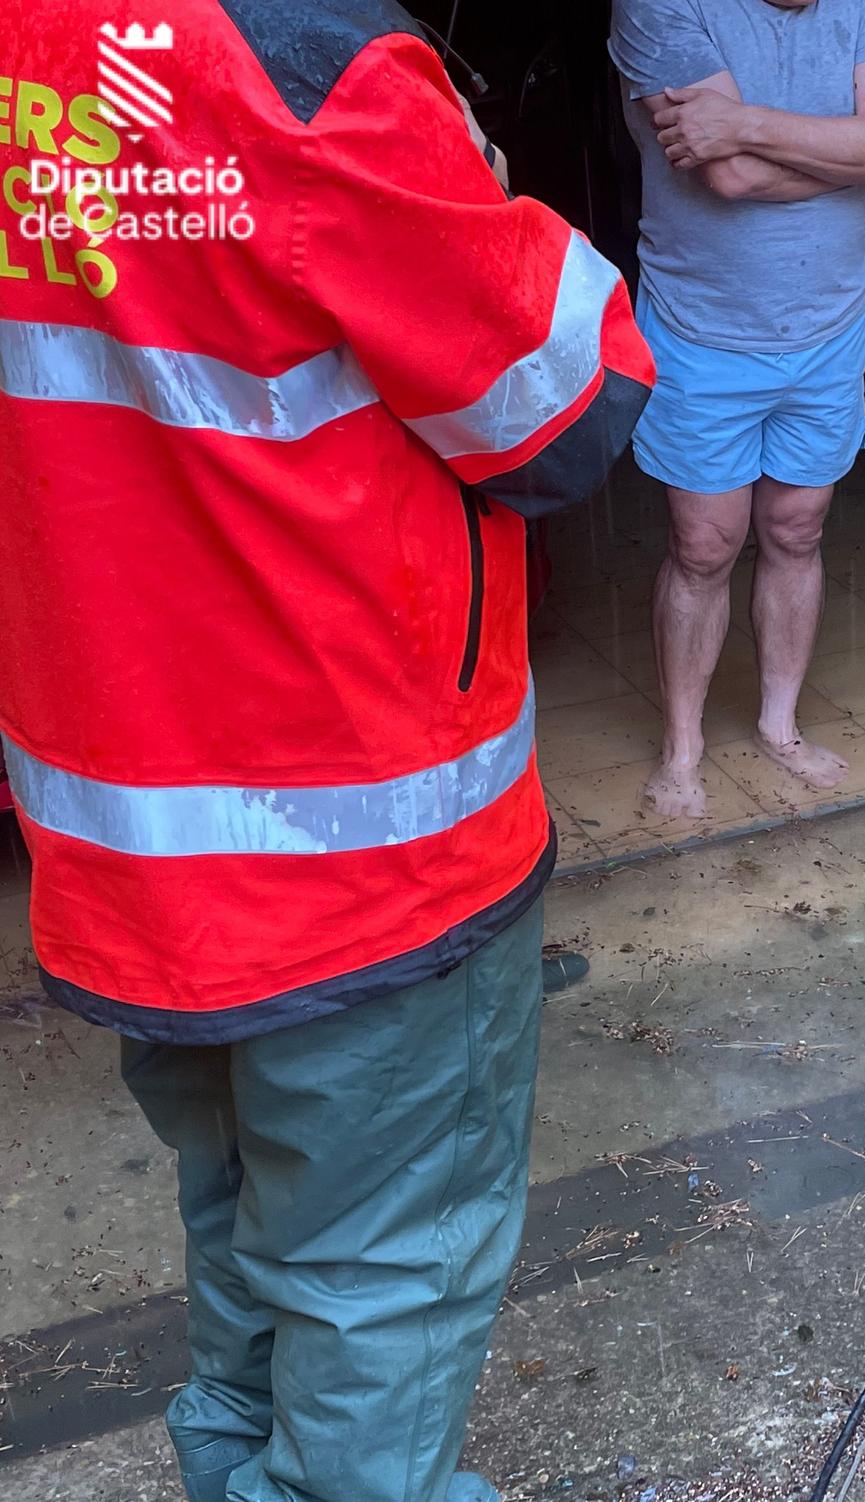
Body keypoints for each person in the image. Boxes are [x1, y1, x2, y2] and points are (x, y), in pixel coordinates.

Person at [0, 4, 654, 1499]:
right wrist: (493, 189)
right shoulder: (316, 66)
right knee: (382, 1273)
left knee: (237, 1208)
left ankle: (233, 1463)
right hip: (362, 854)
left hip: (125, 844)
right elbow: (564, 410)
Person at [607, 0, 865, 821]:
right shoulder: (661, 7)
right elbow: (727, 177)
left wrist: (745, 123)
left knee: (797, 530)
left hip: (829, 323)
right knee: (704, 545)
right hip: (701, 331)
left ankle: (779, 728)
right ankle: (682, 749)